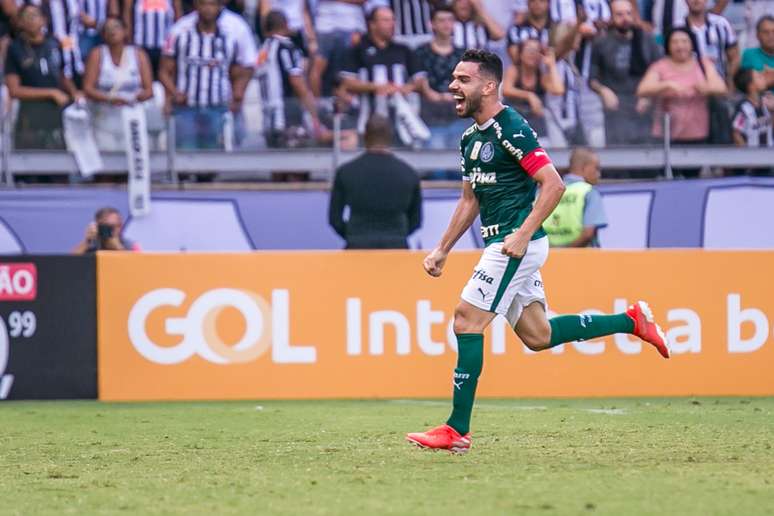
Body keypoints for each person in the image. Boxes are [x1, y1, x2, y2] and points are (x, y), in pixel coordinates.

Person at [405, 49, 670, 454]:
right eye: (454, 79)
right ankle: (631, 321)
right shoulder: (470, 137)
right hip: (507, 241)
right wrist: (442, 248)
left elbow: (554, 184)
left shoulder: (511, 126)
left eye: (463, 79)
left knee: (465, 320)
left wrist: (522, 235)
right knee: (538, 335)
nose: (453, 86)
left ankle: (457, 430)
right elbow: (468, 200)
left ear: (489, 86)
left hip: (514, 243)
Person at [159, 0, 249, 149]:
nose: (208, 9)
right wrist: (174, 93)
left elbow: (240, 70)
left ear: (220, 7)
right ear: (196, 5)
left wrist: (237, 93)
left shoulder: (229, 37)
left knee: (212, 157)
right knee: (186, 155)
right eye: (204, 4)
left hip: (217, 107)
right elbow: (164, 71)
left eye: (212, 4)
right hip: (186, 108)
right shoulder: (180, 33)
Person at [328, 114, 422, 249]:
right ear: (391, 137)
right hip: (397, 249)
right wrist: (397, 237)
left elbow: (334, 219)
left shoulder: (346, 172)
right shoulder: (409, 173)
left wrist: (353, 236)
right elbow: (416, 221)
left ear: (365, 136)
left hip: (357, 248)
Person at [636, 27, 727, 161]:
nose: (680, 46)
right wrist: (665, 85)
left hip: (698, 133)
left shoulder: (703, 64)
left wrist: (705, 88)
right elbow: (642, 89)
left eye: (684, 41)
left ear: (691, 44)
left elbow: (721, 88)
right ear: (668, 45)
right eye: (675, 42)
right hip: (666, 136)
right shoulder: (660, 66)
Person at [339, 6, 425, 138]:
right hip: (367, 124)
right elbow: (347, 83)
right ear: (372, 24)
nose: (391, 24)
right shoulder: (357, 50)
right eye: (385, 20)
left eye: (392, 20)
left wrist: (407, 87)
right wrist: (378, 87)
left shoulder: (404, 50)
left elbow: (420, 80)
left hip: (401, 124)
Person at [4, 3, 81, 149]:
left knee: (60, 161)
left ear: (44, 20)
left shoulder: (54, 43)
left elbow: (62, 74)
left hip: (56, 114)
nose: (31, 20)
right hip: (29, 117)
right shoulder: (14, 48)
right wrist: (51, 93)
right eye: (26, 17)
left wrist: (74, 93)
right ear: (19, 22)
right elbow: (14, 90)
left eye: (34, 15)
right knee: (31, 163)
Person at [590, 0, 662, 145]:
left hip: (644, 108)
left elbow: (661, 71)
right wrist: (604, 91)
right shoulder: (601, 43)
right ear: (611, 17)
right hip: (615, 111)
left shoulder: (647, 40)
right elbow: (592, 79)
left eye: (629, 13)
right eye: (619, 14)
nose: (625, 18)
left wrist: (649, 96)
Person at [82, 16, 153, 151]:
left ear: (125, 31)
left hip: (133, 117)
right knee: (107, 159)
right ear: (103, 35)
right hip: (104, 117)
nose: (112, 31)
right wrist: (110, 98)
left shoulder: (138, 54)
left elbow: (149, 90)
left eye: (116, 27)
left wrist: (134, 98)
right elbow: (88, 88)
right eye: (107, 29)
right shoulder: (97, 54)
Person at [256, 10, 324, 148]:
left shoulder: (263, 50)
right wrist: (313, 111)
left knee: (276, 164)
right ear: (286, 25)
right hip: (287, 116)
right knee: (295, 164)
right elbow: (296, 81)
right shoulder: (286, 48)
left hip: (268, 117)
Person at [415, 6, 467, 149]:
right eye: (442, 20)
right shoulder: (420, 52)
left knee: (459, 165)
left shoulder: (462, 54)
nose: (446, 24)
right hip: (429, 118)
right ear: (432, 24)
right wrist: (430, 94)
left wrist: (454, 96)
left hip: (457, 117)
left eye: (450, 20)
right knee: (435, 165)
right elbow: (417, 79)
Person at [502, 39, 564, 144]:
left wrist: (551, 65)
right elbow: (506, 90)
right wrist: (529, 95)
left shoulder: (541, 76)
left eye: (537, 51)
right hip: (512, 120)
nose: (533, 54)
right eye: (529, 50)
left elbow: (558, 90)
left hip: (535, 123)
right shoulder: (514, 70)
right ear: (521, 54)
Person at [544, 147, 608, 247]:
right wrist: (567, 252)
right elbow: (588, 233)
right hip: (581, 258)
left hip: (549, 257)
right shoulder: (589, 192)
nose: (599, 174)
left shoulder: (547, 191)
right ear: (585, 168)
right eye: (597, 168)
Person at [678, 0, 739, 83]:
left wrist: (729, 81)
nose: (696, 1)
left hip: (719, 86)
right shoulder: (677, 27)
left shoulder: (721, 24)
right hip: (688, 87)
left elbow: (734, 57)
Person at [123, 0, 181, 78]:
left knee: (165, 79)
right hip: (140, 47)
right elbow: (127, 14)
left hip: (165, 49)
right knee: (142, 80)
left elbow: (178, 16)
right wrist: (129, 41)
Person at [731, 68, 772, 148]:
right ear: (752, 86)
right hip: (753, 156)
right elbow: (736, 132)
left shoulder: (767, 101)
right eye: (759, 77)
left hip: (769, 153)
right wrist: (746, 154)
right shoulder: (744, 109)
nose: (763, 77)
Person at [73, 206, 139, 253]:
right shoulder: (91, 244)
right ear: (98, 226)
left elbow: (135, 265)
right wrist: (86, 241)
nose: (114, 230)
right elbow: (71, 262)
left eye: (118, 225)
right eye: (109, 226)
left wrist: (118, 248)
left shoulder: (129, 245)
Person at [741, 15, 774, 94]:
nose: (771, 36)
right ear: (757, 35)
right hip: (759, 102)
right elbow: (757, 84)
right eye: (766, 32)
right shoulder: (749, 55)